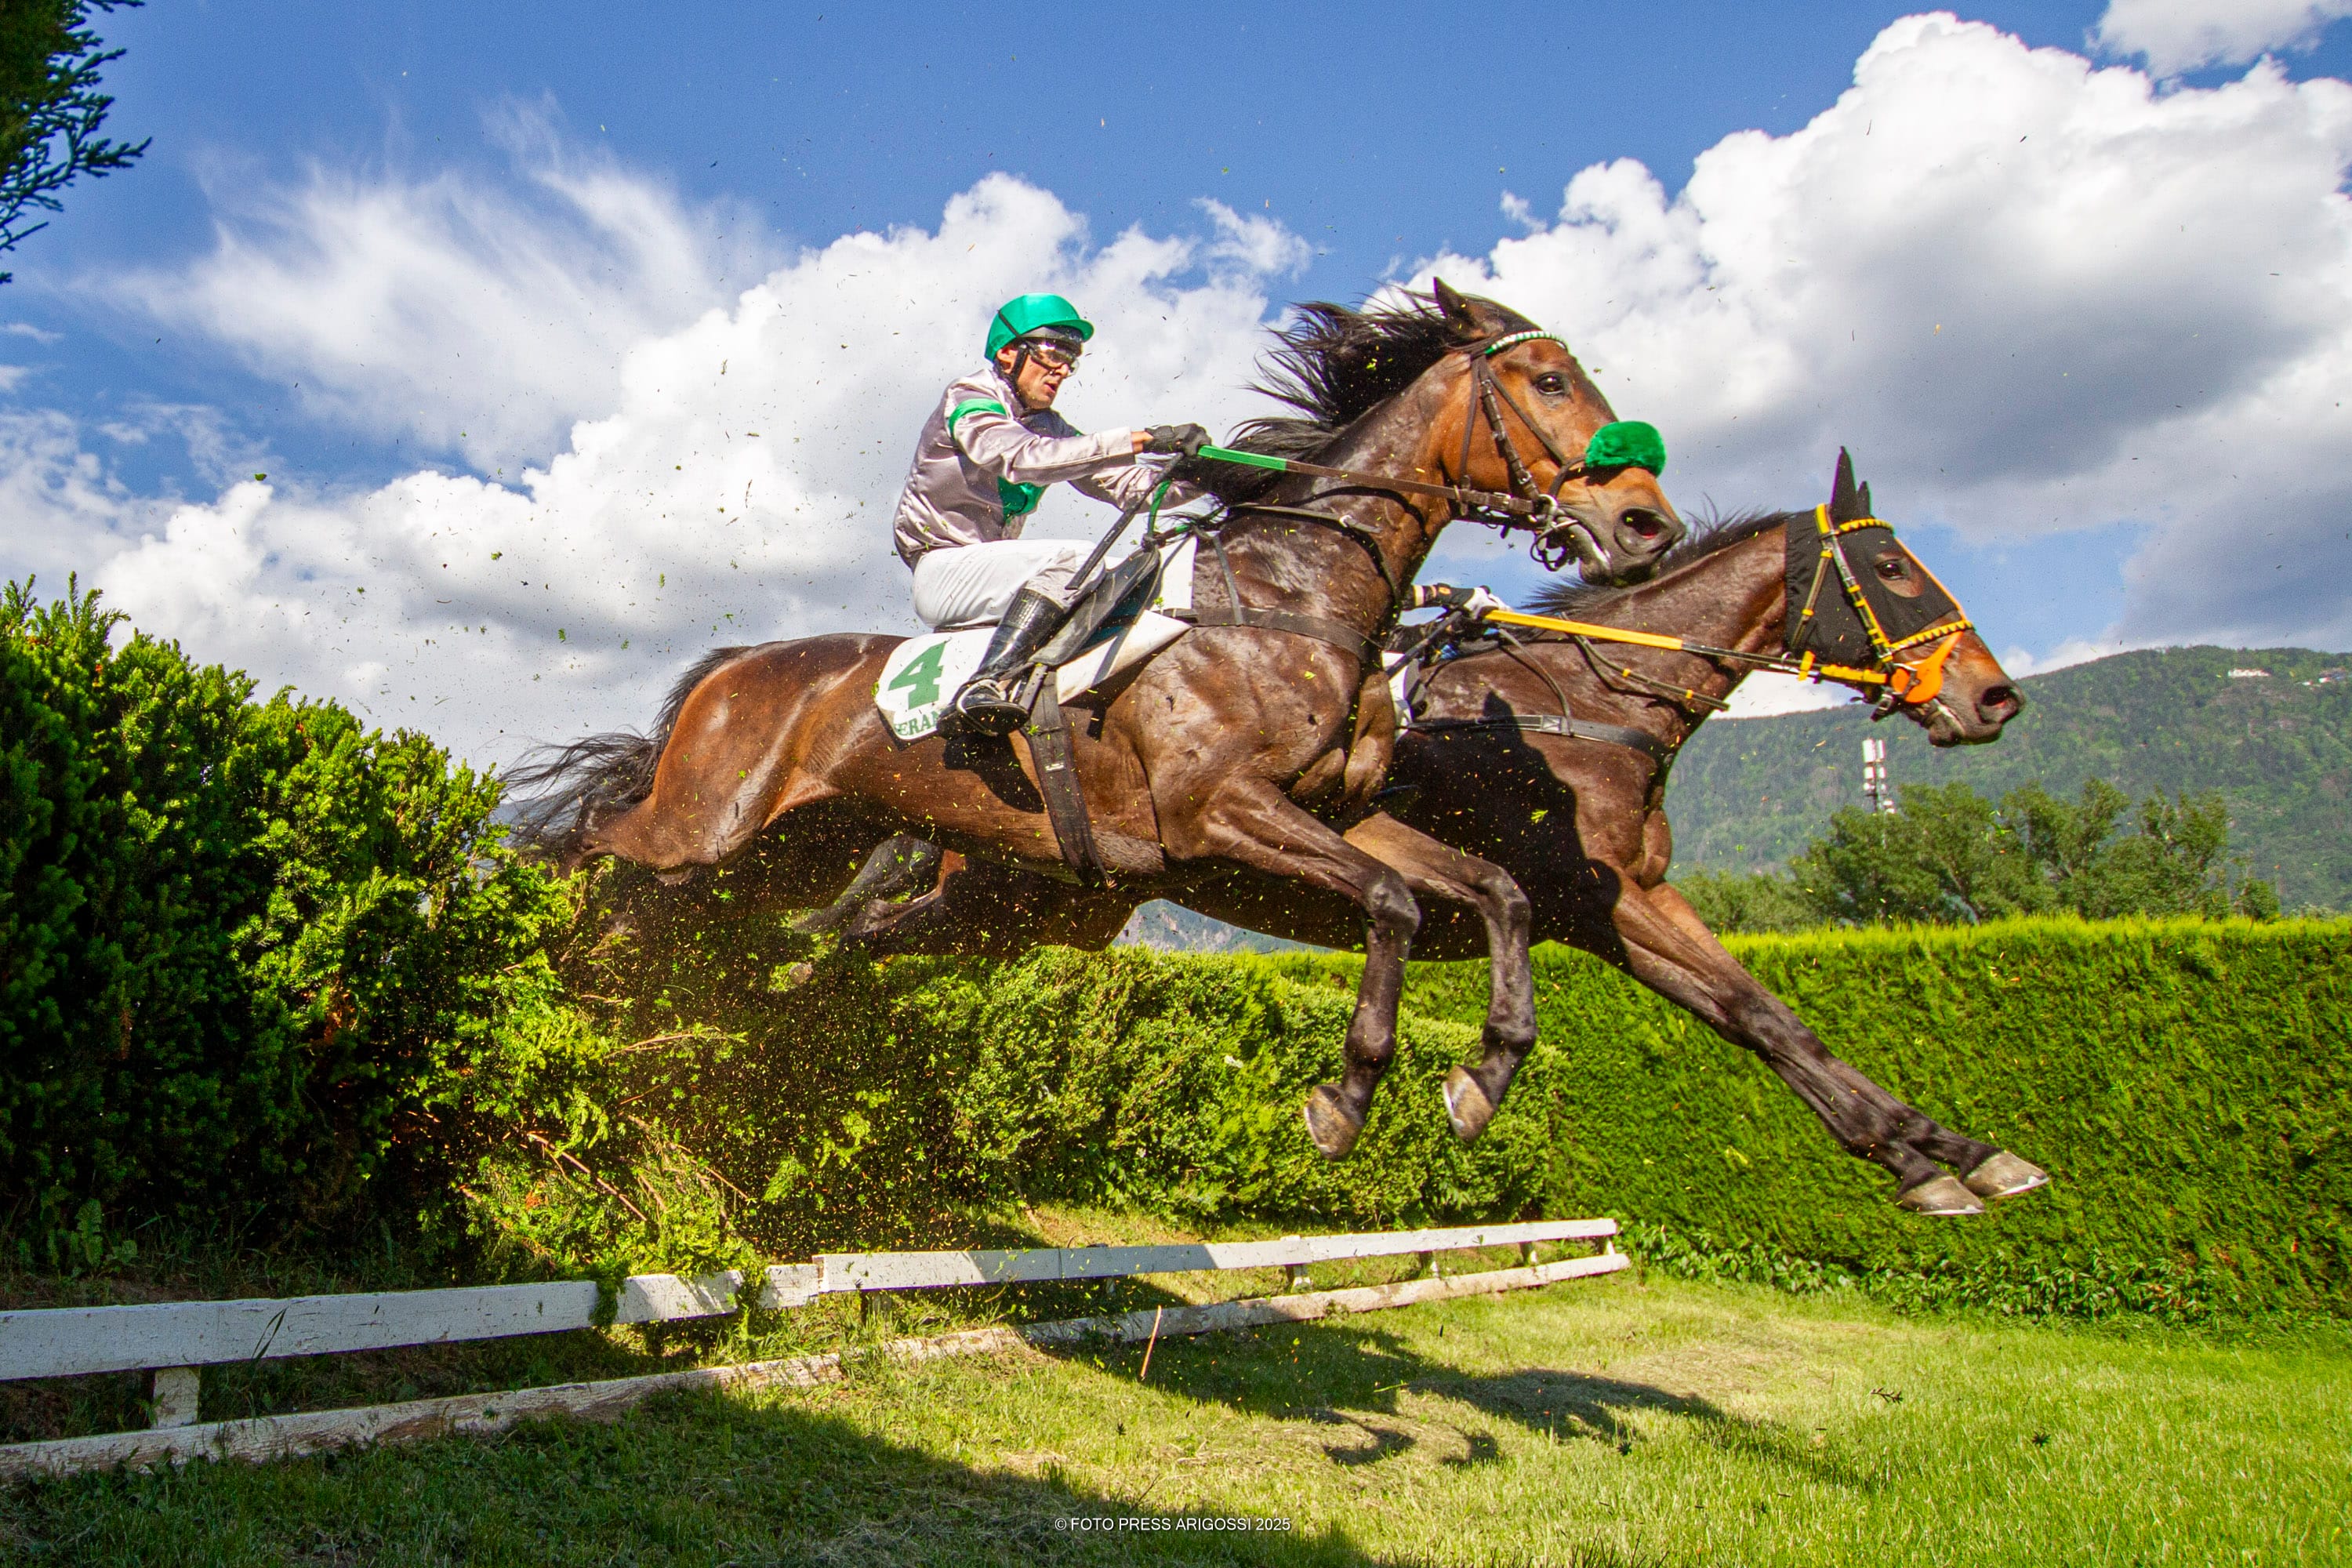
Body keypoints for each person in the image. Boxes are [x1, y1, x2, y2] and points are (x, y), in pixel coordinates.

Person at [892, 292, 1207, 736]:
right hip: (943, 570)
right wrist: (1142, 438)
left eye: (1071, 359)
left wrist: (1208, 476)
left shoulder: (1049, 424)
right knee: (1081, 560)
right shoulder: (969, 396)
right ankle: (982, 685)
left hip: (990, 580)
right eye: (1052, 353)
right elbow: (1023, 458)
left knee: (1128, 574)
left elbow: (1129, 488)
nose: (1063, 369)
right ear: (1007, 353)